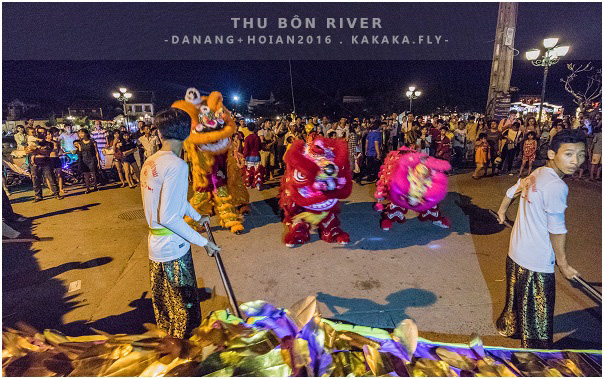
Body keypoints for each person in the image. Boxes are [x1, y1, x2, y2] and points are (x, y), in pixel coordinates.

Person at [495, 129, 586, 349]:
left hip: (515, 253)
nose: (576, 161)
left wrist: (501, 211)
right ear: (553, 154)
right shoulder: (557, 185)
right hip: (536, 262)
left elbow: (511, 190)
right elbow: (557, 229)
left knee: (516, 301)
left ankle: (509, 327)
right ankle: (536, 357)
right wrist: (563, 264)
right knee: (538, 316)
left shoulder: (539, 172)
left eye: (581, 155)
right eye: (569, 154)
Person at [140, 107, 220, 339]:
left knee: (165, 307)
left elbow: (173, 201)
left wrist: (197, 216)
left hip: (156, 243)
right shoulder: (177, 165)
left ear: (160, 132)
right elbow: (169, 216)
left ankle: (168, 348)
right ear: (186, 133)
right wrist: (203, 242)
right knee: (185, 310)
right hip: (173, 248)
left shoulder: (151, 161)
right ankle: (185, 357)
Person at [26, 127, 63, 202]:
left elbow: (46, 151)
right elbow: (27, 151)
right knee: (35, 180)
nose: (42, 134)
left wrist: (36, 150)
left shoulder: (49, 143)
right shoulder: (32, 141)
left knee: (51, 178)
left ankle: (56, 193)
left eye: (43, 132)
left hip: (46, 162)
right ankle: (38, 196)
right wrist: (36, 150)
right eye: (39, 132)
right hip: (35, 163)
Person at [76, 129, 100, 193]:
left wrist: (98, 161)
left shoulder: (92, 142)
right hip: (84, 160)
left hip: (92, 159)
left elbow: (96, 152)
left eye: (82, 133)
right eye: (79, 133)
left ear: (86, 134)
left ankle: (95, 186)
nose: (80, 135)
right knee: (86, 175)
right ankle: (87, 188)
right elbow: (80, 153)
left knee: (93, 173)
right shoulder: (80, 143)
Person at [243, 123, 263, 189]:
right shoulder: (257, 137)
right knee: (257, 171)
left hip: (249, 157)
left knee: (249, 171)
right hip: (257, 156)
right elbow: (260, 147)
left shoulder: (247, 138)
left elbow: (246, 149)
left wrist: (244, 156)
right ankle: (258, 184)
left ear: (248, 129)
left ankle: (249, 184)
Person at [47, 127, 65, 195]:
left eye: (51, 134)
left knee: (59, 174)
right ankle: (51, 189)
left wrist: (64, 154)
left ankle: (61, 188)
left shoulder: (57, 142)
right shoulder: (45, 143)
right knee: (49, 175)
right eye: (48, 134)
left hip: (56, 158)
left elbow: (59, 150)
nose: (50, 136)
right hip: (49, 159)